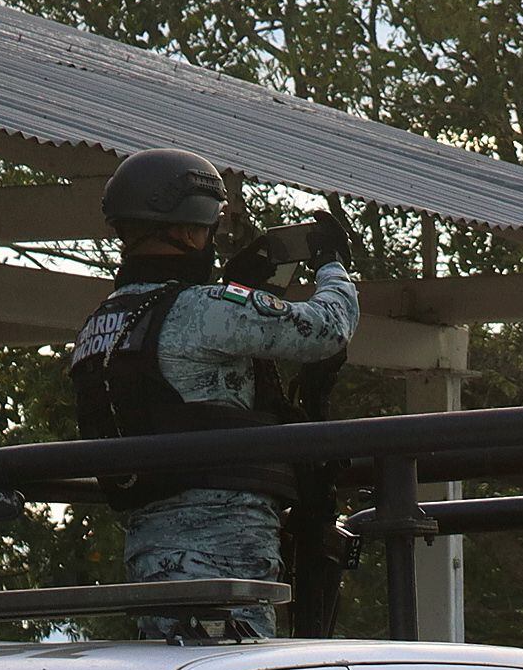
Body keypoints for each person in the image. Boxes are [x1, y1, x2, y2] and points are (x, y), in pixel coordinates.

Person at [68, 148, 359, 639]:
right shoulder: (202, 310)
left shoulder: (99, 324)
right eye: (208, 230)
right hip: (226, 565)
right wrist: (333, 265)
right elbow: (326, 328)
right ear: (186, 231)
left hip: (152, 561)